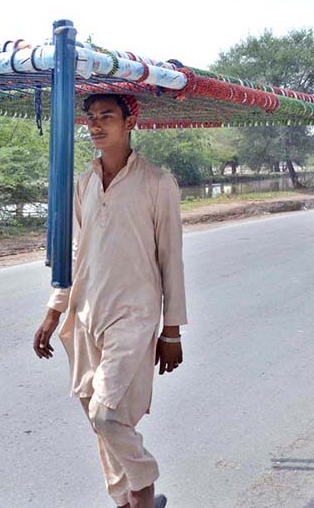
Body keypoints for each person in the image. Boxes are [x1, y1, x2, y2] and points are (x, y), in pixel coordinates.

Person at [33, 93, 187, 508]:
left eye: (107, 116)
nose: (97, 125)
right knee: (95, 416)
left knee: (107, 412)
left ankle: (143, 488)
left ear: (128, 122)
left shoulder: (157, 183)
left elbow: (171, 258)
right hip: (86, 313)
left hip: (133, 315)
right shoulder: (84, 182)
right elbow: (76, 254)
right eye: (91, 118)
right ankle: (125, 502)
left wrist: (170, 330)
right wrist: (54, 310)